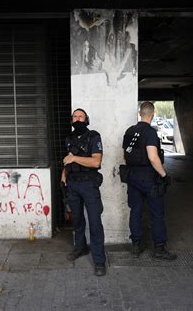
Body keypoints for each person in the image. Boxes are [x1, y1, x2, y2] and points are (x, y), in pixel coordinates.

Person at [122, 101, 177, 261]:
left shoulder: (130, 131)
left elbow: (126, 154)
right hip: (149, 177)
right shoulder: (150, 133)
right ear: (152, 114)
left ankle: (136, 246)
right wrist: (164, 176)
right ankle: (159, 249)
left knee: (136, 211)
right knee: (157, 214)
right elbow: (153, 157)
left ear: (140, 113)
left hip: (133, 176)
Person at [61, 108, 107, 276]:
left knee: (94, 222)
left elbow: (96, 162)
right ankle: (80, 248)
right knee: (78, 220)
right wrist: (63, 175)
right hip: (73, 184)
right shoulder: (69, 138)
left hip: (89, 184)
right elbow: (67, 159)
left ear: (87, 119)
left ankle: (100, 261)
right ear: (72, 120)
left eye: (81, 116)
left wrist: (74, 158)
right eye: (75, 116)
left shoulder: (94, 137)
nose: (78, 119)